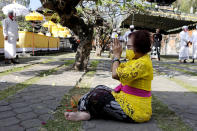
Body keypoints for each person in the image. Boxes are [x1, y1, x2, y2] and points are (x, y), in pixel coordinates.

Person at [64, 30, 153, 123]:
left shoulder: (142, 64)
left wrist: (116, 56)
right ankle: (86, 109)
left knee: (98, 97)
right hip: (126, 98)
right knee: (100, 88)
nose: (127, 49)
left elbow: (115, 75)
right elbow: (114, 69)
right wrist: (115, 56)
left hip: (135, 110)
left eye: (129, 46)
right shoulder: (135, 60)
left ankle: (83, 110)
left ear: (139, 47)